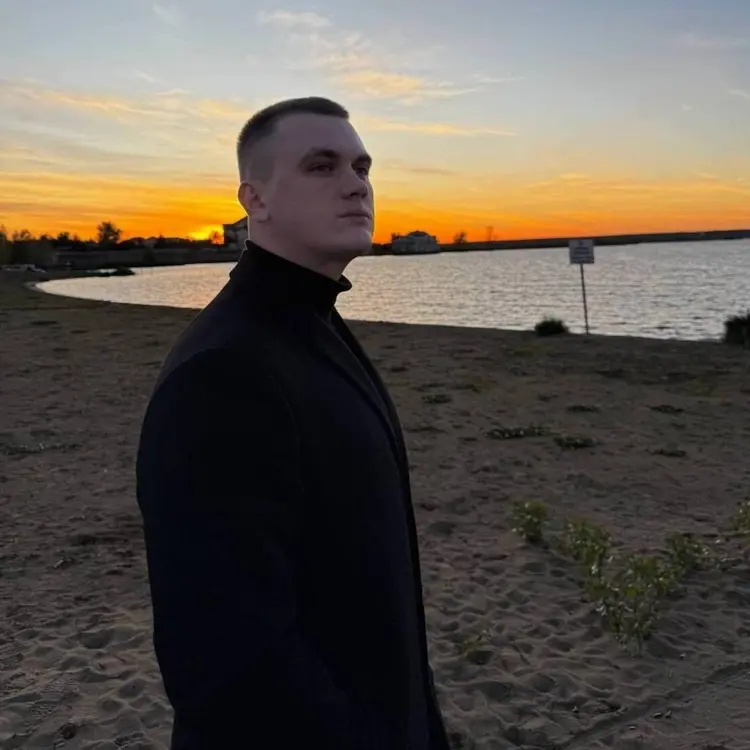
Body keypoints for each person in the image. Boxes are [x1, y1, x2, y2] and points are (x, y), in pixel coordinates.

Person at [135, 96, 451, 750]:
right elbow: (226, 659)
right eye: (321, 166)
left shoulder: (313, 326)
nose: (356, 185)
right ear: (255, 200)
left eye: (362, 167)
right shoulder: (224, 371)